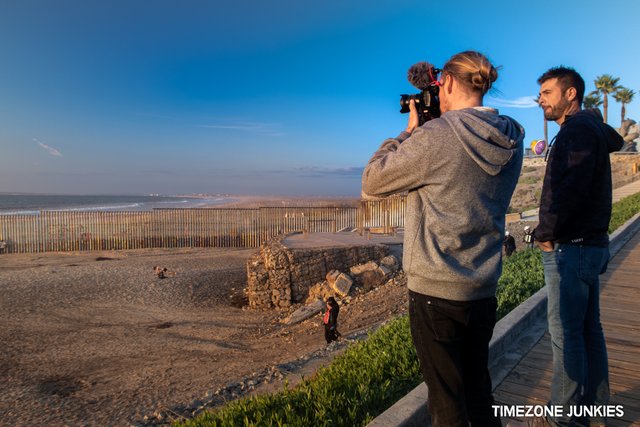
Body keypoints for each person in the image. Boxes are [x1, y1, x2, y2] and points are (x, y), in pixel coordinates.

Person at [362, 50, 524, 427]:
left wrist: (406, 134)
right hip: (482, 286)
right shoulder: (512, 136)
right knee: (478, 390)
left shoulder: (437, 137)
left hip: (436, 291)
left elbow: (373, 182)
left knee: (446, 403)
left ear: (447, 82)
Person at [510, 67, 623, 427]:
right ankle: (595, 407)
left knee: (565, 335)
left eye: (546, 92)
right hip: (589, 245)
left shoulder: (575, 131)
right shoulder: (589, 130)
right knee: (590, 330)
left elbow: (569, 191)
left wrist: (544, 233)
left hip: (570, 248)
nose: (539, 99)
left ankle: (564, 416)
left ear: (570, 94)